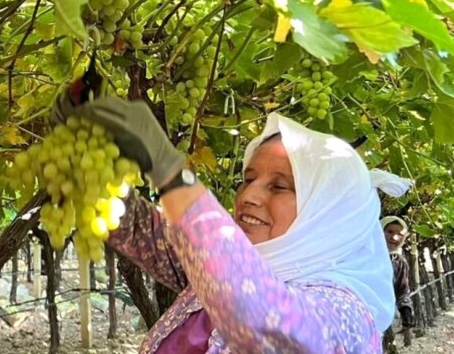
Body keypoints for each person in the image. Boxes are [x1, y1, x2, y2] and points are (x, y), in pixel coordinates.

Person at [52, 95, 413, 353]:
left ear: (329, 213)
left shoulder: (346, 316)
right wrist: (83, 167)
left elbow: (264, 322)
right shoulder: (221, 269)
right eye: (248, 178)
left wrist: (168, 167)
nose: (248, 196)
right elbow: (139, 230)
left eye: (280, 186)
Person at [380, 216, 414, 352]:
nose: (394, 238)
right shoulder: (365, 254)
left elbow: (402, 288)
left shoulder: (399, 261)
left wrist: (406, 310)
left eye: (400, 234)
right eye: (389, 231)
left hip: (385, 315)